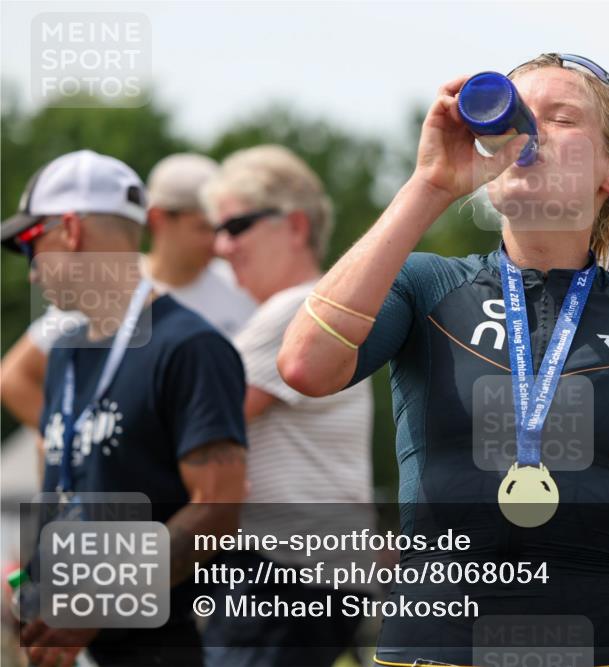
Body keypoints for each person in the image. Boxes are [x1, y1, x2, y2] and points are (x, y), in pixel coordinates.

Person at [278, 53, 609, 666]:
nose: (531, 132)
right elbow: (307, 366)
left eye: (561, 118)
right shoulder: (425, 286)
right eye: (519, 117)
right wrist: (430, 185)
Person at [0, 149, 248, 667]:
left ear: (69, 230)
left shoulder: (191, 346)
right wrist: (34, 581)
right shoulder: (65, 351)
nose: (30, 273)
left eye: (29, 245)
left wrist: (99, 599)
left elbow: (217, 507)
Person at [198, 144, 376, 667]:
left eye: (234, 226)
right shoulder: (313, 308)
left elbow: (192, 425)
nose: (219, 247)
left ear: (295, 225)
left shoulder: (295, 310)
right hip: (307, 575)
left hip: (286, 576)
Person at [145, 153, 256, 337]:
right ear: (157, 219)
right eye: (203, 228)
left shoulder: (244, 289)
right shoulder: (116, 292)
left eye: (221, 228)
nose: (220, 243)